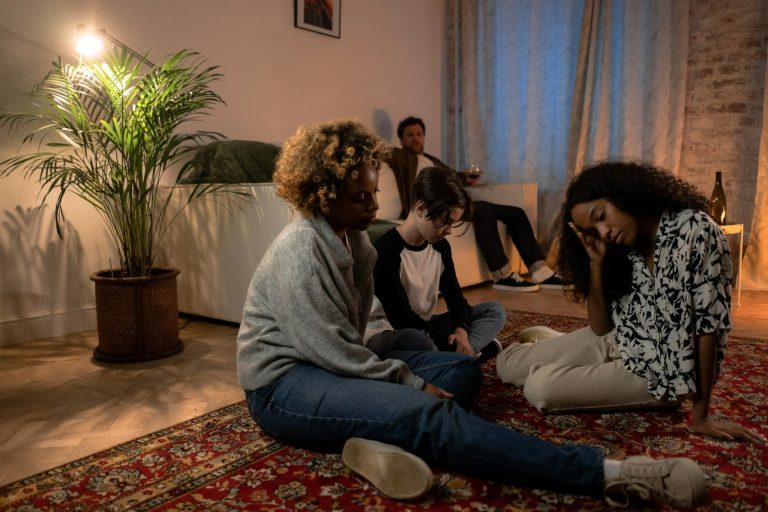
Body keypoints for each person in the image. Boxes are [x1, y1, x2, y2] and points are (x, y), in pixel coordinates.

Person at [236, 119, 708, 508]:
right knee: (432, 414)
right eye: (362, 198)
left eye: (374, 193)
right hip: (285, 383)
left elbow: (352, 338)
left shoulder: (353, 240)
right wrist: (410, 385)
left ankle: (375, 438)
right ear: (322, 193)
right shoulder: (302, 249)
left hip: (335, 364)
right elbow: (332, 350)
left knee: (463, 373)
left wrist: (408, 371)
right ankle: (608, 473)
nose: (376, 205)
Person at [496, 161, 766, 445]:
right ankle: (562, 351)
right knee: (506, 363)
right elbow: (600, 328)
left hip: (661, 371)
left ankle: (566, 360)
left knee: (539, 386)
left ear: (623, 194)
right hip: (620, 338)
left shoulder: (695, 232)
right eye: (594, 230)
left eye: (602, 216)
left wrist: (702, 416)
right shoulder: (622, 246)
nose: (604, 231)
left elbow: (708, 329)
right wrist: (596, 263)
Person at [385, 116, 566, 292]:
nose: (416, 138)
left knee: (516, 213)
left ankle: (540, 270)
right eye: (410, 135)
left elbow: (450, 177)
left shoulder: (432, 160)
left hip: (453, 201)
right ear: (401, 139)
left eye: (419, 134)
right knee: (483, 211)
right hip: (434, 206)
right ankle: (503, 276)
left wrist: (464, 177)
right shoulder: (400, 156)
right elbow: (382, 153)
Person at [368, 166, 505, 362]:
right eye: (446, 222)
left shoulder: (440, 248)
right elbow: (401, 317)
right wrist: (444, 337)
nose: (449, 231)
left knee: (494, 311)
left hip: (423, 326)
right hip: (388, 331)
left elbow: (456, 298)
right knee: (416, 340)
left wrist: (461, 331)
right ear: (421, 208)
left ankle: (459, 355)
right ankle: (463, 355)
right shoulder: (385, 250)